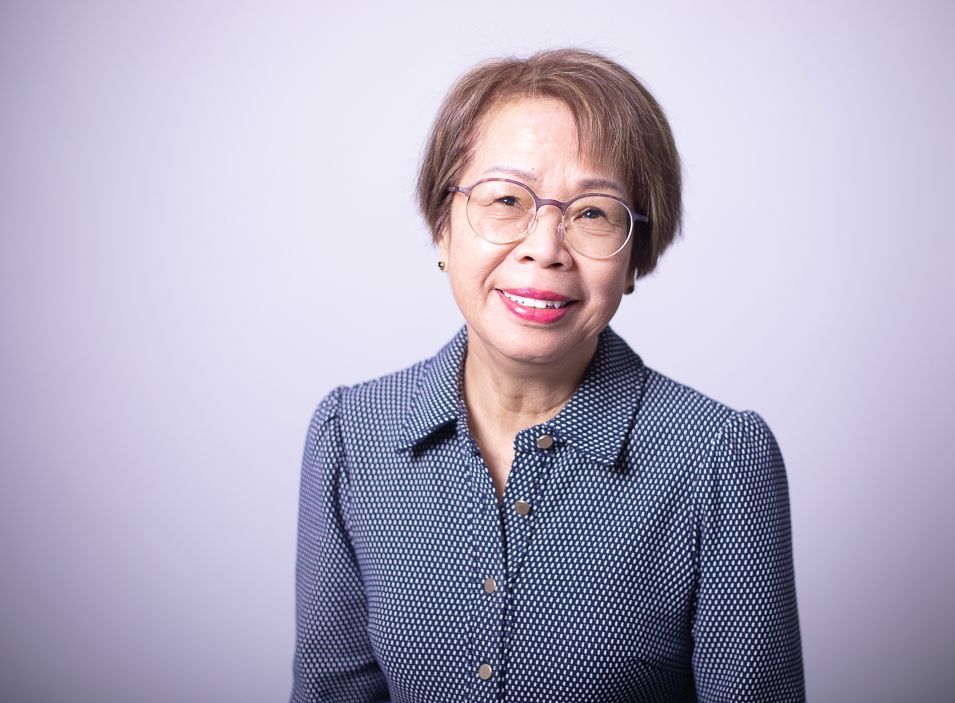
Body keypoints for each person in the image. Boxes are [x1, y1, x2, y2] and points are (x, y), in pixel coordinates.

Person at [291, 48, 805, 703]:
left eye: (593, 212)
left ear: (635, 257)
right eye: (506, 199)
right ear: (442, 227)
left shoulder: (719, 458)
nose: (545, 247)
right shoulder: (351, 437)